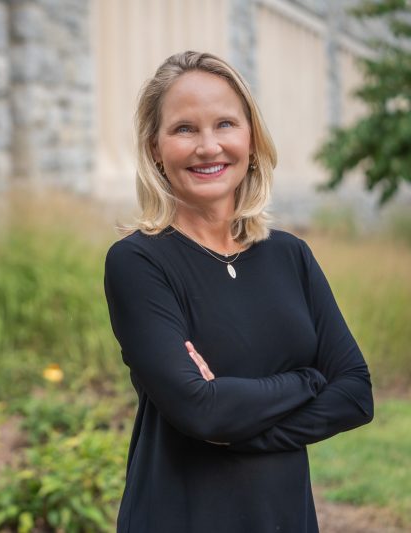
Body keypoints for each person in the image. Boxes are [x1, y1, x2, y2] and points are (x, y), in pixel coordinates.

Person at [103, 51, 374, 533]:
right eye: (185, 129)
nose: (209, 147)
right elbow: (201, 411)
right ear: (155, 149)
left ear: (250, 139)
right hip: (179, 516)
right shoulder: (137, 263)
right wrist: (308, 381)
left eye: (225, 124)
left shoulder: (289, 255)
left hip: (285, 518)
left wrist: (238, 427)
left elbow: (355, 394)